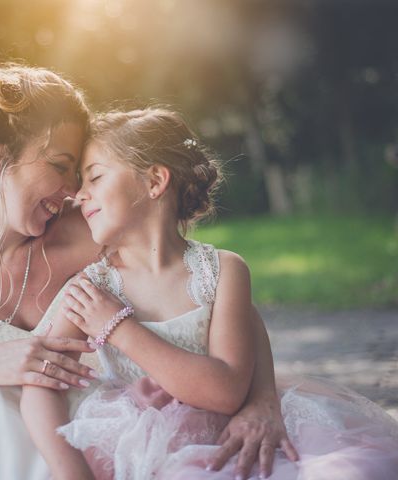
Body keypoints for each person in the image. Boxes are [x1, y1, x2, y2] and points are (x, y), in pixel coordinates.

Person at [0, 65, 293, 479]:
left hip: (112, 442)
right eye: (62, 167)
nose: (72, 191)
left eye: (83, 175)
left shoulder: (90, 227)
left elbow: (211, 297)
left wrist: (261, 401)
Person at [20, 108, 398, 479]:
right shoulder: (90, 290)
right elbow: (39, 386)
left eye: (95, 177)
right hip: (146, 448)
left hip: (231, 441)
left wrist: (118, 328)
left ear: (155, 181)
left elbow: (226, 392)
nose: (79, 195)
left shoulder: (223, 271)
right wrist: (70, 473)